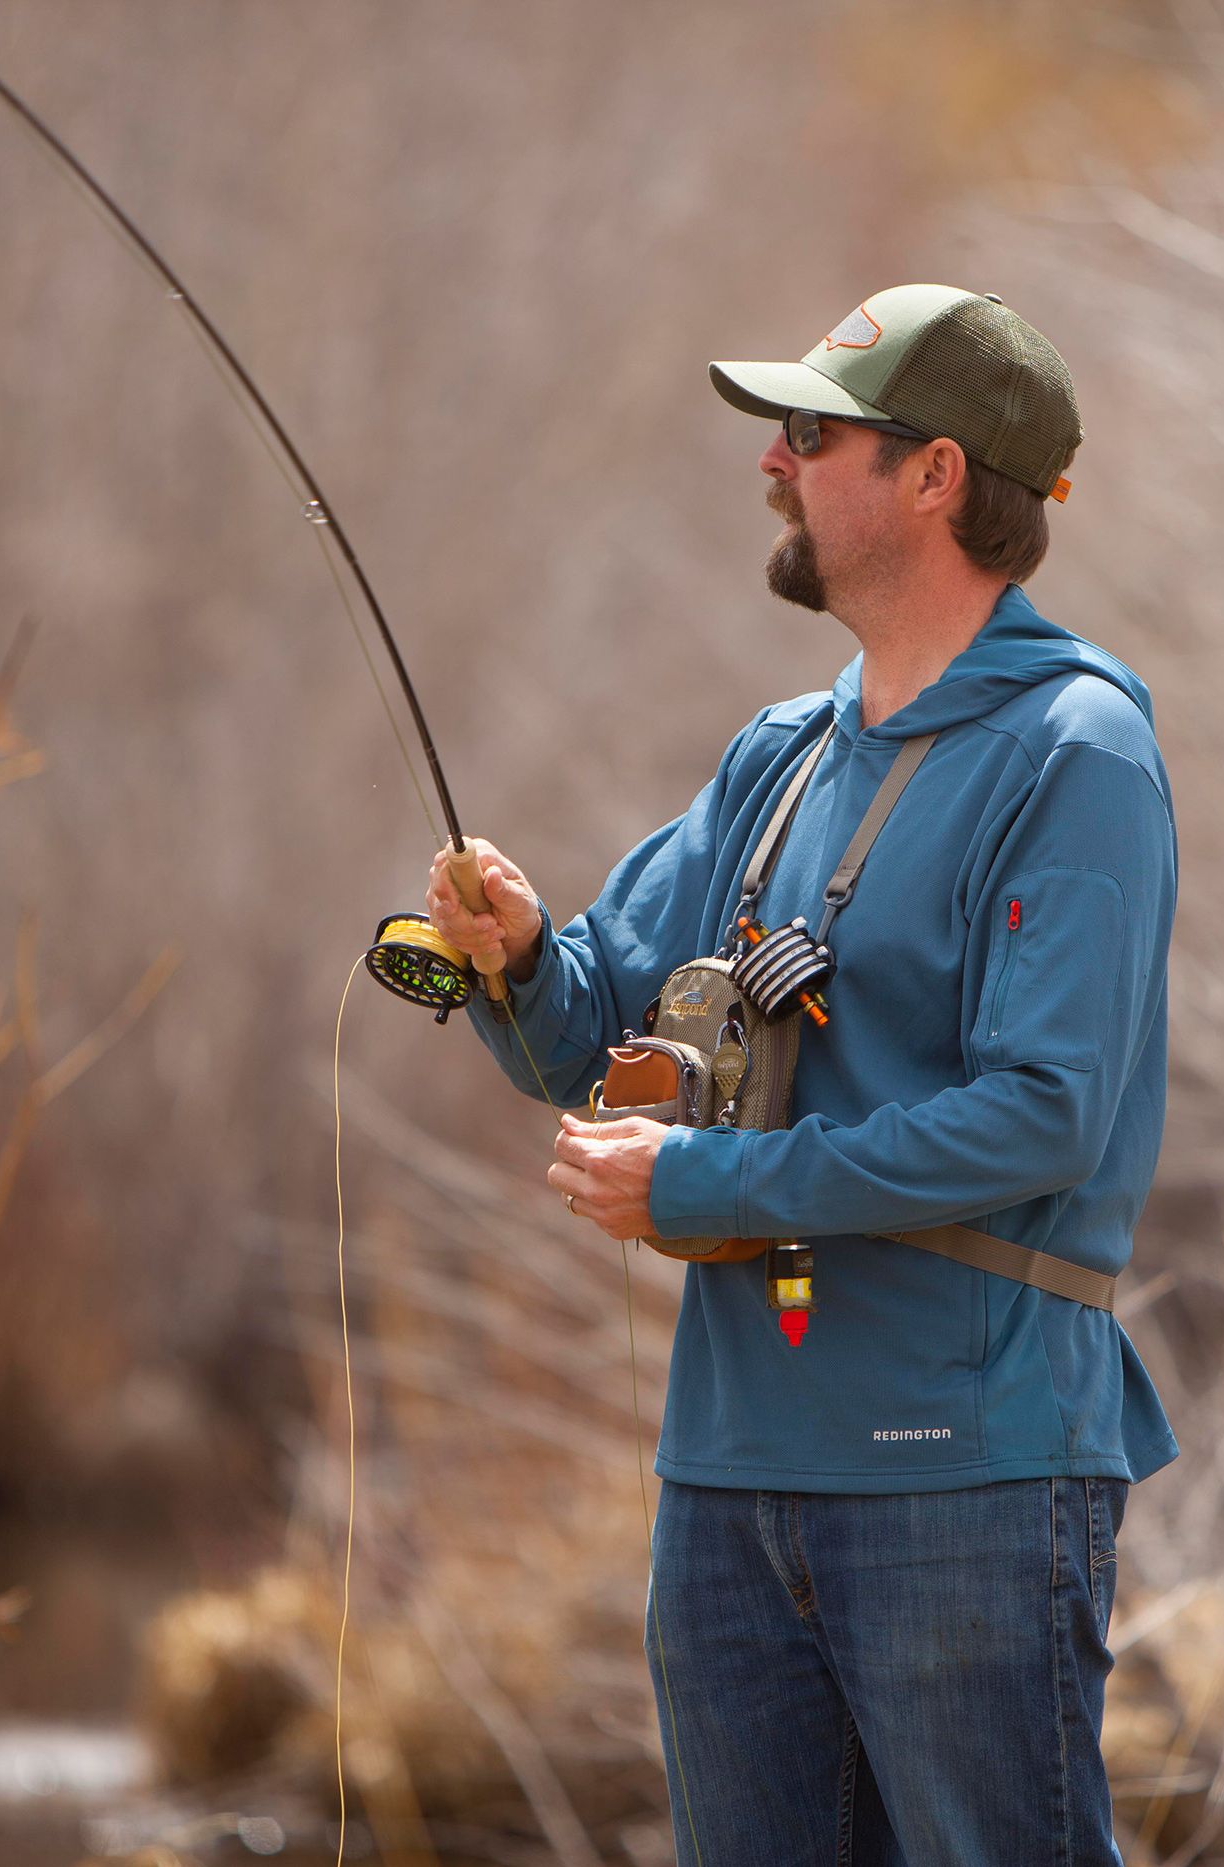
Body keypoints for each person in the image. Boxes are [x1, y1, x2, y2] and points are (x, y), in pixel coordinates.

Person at [422, 283, 1177, 1865]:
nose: (773, 462)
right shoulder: (781, 754)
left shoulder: (1077, 752)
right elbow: (593, 1026)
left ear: (934, 477)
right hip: (730, 1480)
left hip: (967, 1479)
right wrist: (515, 955)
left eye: (812, 434)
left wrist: (704, 1185)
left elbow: (1046, 1116)